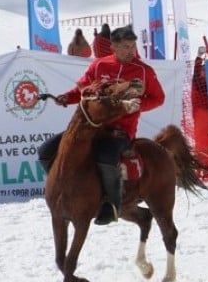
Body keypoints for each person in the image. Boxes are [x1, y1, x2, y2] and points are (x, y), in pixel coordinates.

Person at [37, 27, 165, 225]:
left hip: (120, 132)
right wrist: (66, 97)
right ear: (113, 46)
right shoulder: (100, 65)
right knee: (46, 151)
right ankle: (61, 190)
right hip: (91, 127)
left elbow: (159, 98)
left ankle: (112, 205)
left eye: (133, 46)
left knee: (106, 156)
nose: (131, 51)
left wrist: (138, 107)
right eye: (125, 47)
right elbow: (82, 87)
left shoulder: (143, 71)